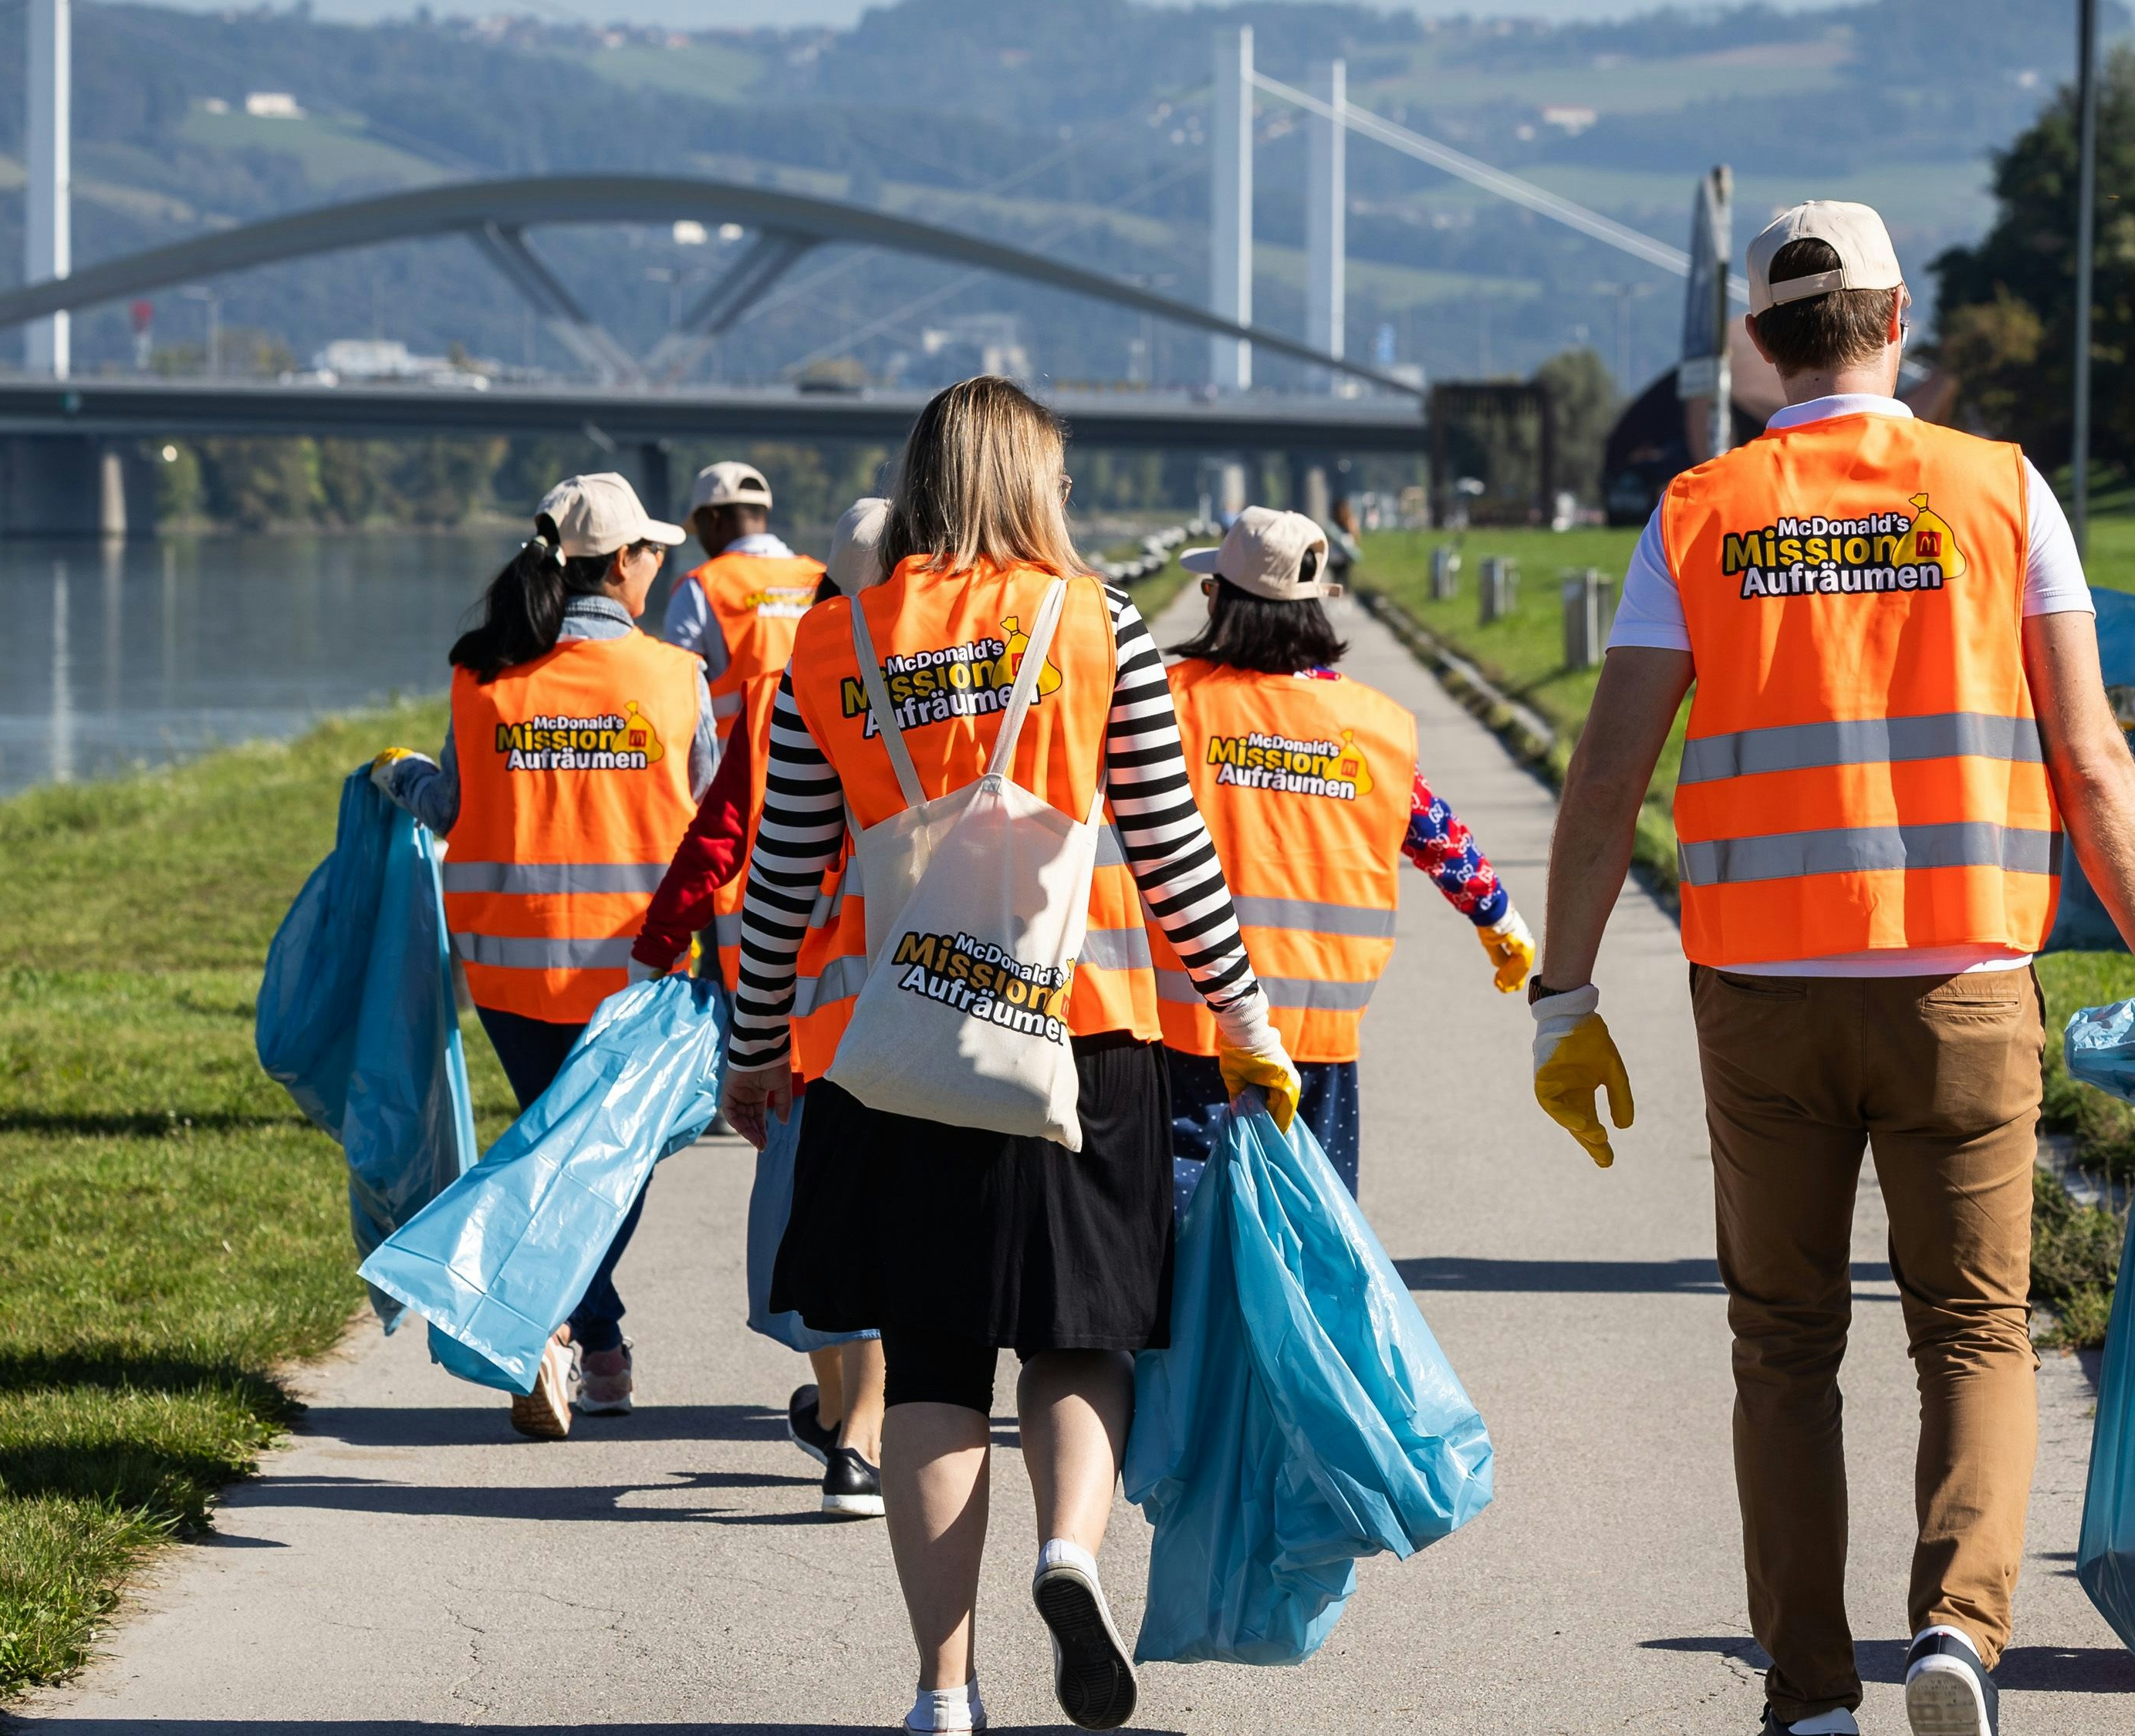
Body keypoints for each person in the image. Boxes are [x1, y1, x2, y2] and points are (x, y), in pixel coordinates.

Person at [1526, 201, 2135, 1736]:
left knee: (1781, 1345)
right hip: (1963, 981)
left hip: (1763, 995)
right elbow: (2088, 755)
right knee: (1972, 1327)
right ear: (1897, 318)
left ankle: (1810, 1695)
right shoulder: (1996, 491)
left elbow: (1600, 781)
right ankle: (1958, 1636)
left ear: (1756, 347)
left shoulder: (1701, 509)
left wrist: (1559, 994)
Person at [717, 377, 1296, 1734]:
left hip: (901, 1055)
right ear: (1033, 483)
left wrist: (752, 1053)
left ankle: (940, 1690)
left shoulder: (830, 638)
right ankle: (1070, 1553)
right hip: (1083, 1043)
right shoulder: (1097, 626)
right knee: (1081, 1341)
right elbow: (1170, 854)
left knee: (929, 1365)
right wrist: (1250, 1025)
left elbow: (783, 877)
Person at [368, 473, 717, 1442]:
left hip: (511, 970)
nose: (661, 566)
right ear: (623, 564)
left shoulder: (481, 677)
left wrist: (404, 779)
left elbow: (458, 811)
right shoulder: (674, 677)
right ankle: (562, 1331)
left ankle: (589, 1346)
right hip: (639, 977)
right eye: (653, 552)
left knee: (552, 1148)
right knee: (609, 1162)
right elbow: (714, 827)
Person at [629, 498, 893, 1521]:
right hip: (937, 996)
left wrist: (673, 958)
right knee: (896, 1220)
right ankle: (859, 1436)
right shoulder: (967, 685)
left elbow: (731, 835)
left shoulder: (796, 685)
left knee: (817, 1213)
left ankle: (845, 1427)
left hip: (805, 1007)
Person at [1154, 504, 1535, 1191]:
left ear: (1221, 600)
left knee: (1184, 1229)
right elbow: (1438, 836)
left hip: (1190, 1023)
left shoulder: (1172, 705)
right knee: (1314, 1221)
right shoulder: (1373, 727)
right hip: (1318, 1034)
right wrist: (1499, 918)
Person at [660, 459, 828, 732]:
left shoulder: (700, 585)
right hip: (816, 761)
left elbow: (676, 692)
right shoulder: (823, 578)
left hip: (735, 765)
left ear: (711, 520)